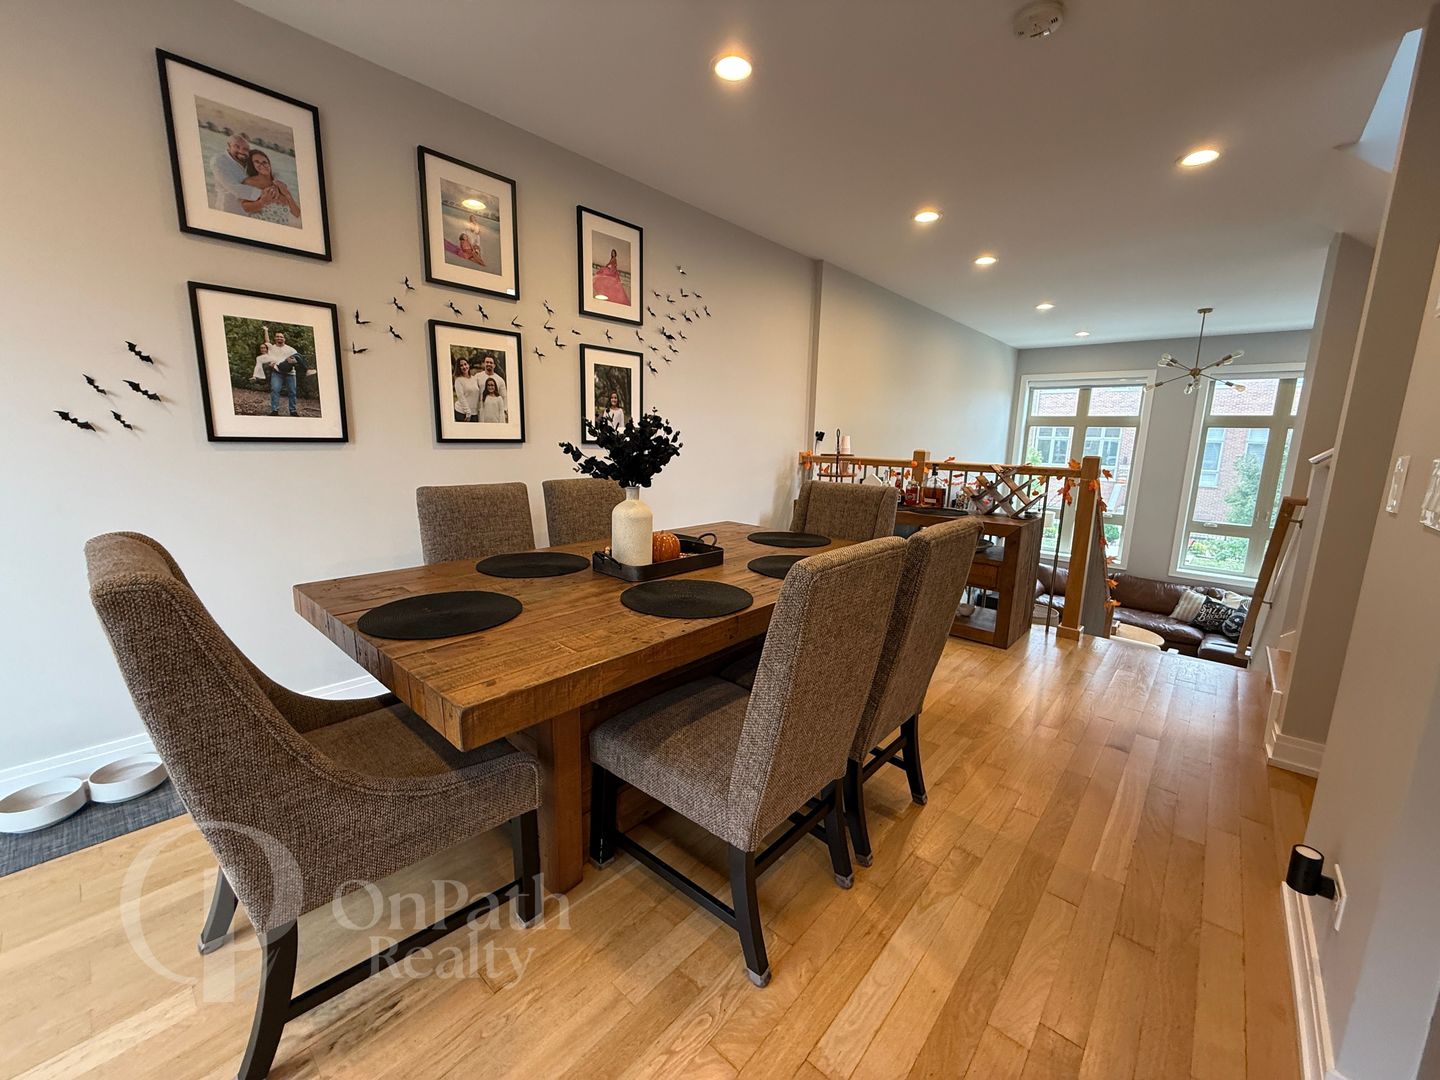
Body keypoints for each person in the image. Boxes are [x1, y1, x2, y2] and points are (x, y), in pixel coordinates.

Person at [208, 133, 276, 217]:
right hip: (227, 211)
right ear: (229, 146)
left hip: (249, 213)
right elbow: (234, 187)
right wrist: (263, 194)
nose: (241, 151)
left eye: (245, 149)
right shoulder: (219, 161)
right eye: (237, 147)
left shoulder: (250, 162)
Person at [242, 148, 300, 226]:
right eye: (257, 162)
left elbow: (296, 213)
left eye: (264, 162)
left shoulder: (280, 184)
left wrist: (287, 194)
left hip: (280, 230)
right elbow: (245, 208)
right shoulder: (250, 182)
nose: (262, 165)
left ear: (269, 163)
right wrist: (262, 202)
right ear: (252, 165)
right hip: (258, 227)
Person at [262, 326, 300, 416]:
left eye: (281, 337)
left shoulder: (291, 349)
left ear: (284, 339)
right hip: (277, 372)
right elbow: (267, 341)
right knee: (275, 390)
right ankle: (274, 410)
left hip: (290, 373)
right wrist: (266, 330)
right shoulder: (272, 348)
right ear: (275, 338)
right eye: (277, 336)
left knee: (292, 392)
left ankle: (293, 411)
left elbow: (297, 360)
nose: (279, 338)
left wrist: (292, 361)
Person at [452, 357, 480, 422]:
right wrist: (467, 412)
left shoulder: (474, 378)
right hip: (462, 412)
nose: (464, 367)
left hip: (474, 412)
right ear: (459, 368)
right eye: (461, 365)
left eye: (465, 364)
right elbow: (461, 397)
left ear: (468, 365)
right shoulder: (458, 380)